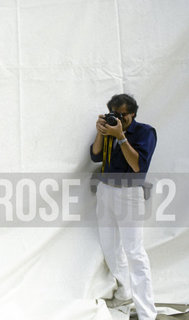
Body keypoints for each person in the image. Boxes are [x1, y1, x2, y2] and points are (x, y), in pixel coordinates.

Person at [90, 94, 157, 320]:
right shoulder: (109, 129)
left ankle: (147, 312)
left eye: (123, 114)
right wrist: (102, 132)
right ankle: (125, 291)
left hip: (129, 194)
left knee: (134, 251)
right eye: (114, 114)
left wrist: (121, 137)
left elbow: (138, 165)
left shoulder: (145, 132)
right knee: (109, 246)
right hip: (105, 191)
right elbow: (95, 155)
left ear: (133, 113)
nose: (119, 118)